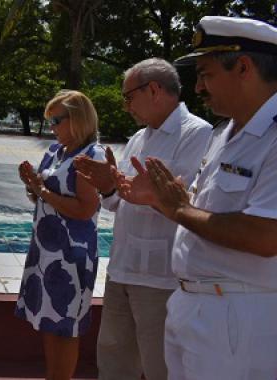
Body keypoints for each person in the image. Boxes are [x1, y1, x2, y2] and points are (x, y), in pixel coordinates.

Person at [115, 16, 277, 380]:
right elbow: (205, 208)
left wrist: (177, 208)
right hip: (197, 304)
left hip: (239, 315)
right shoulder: (226, 134)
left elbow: (266, 235)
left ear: (244, 67)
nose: (199, 88)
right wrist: (162, 200)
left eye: (206, 74)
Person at [74, 58, 212, 380]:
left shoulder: (196, 134)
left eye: (128, 97)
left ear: (153, 89)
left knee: (160, 367)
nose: (125, 106)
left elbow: (190, 205)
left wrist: (148, 194)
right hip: (123, 269)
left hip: (160, 277)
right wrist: (109, 186)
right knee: (113, 363)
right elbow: (119, 202)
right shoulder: (138, 138)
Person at [15, 90, 105, 380]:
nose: (51, 127)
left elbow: (85, 209)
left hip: (70, 256)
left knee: (65, 328)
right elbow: (44, 197)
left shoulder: (92, 156)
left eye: (56, 120)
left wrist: (42, 191)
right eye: (49, 121)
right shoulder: (56, 150)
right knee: (48, 322)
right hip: (46, 252)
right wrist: (32, 185)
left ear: (77, 118)